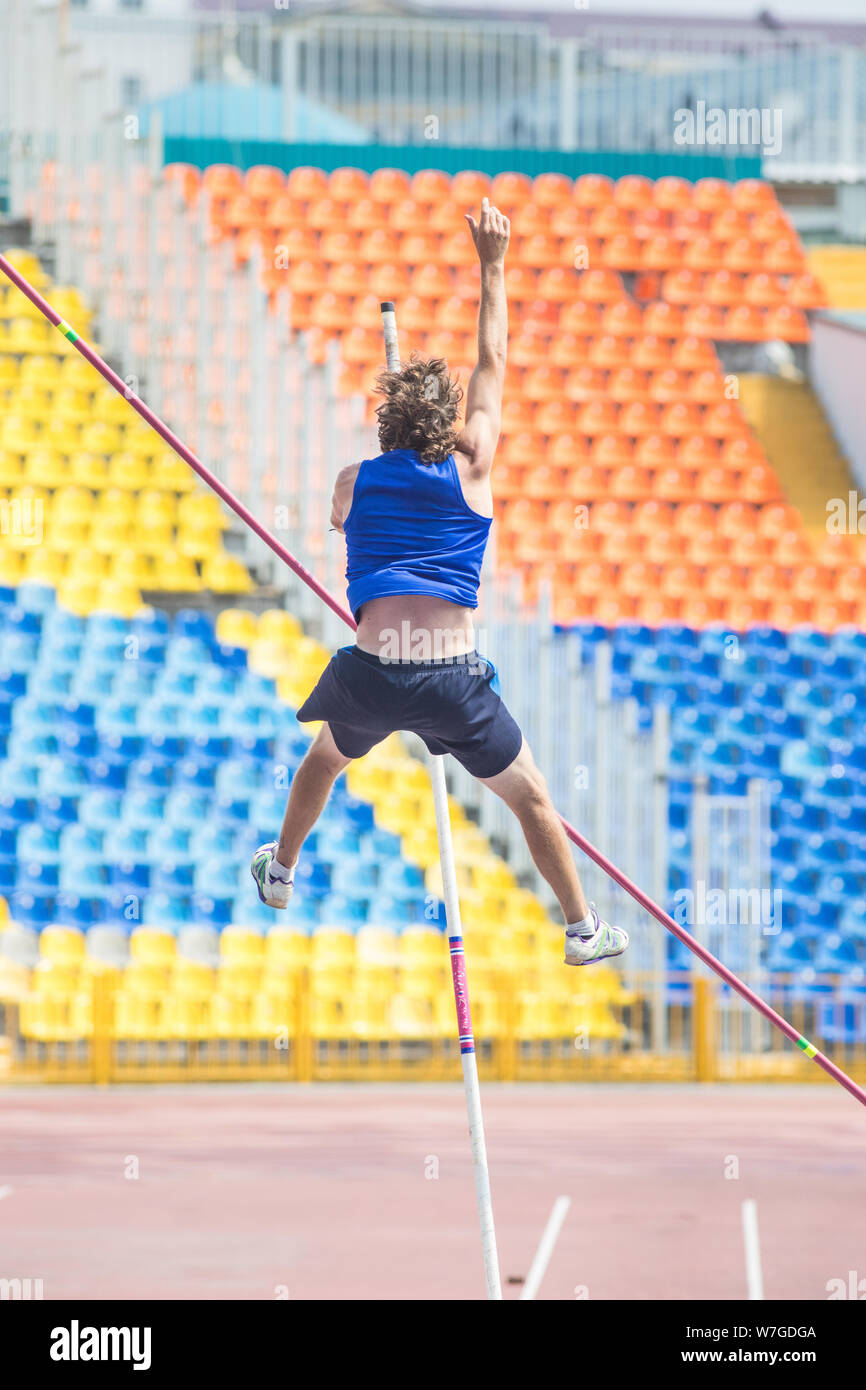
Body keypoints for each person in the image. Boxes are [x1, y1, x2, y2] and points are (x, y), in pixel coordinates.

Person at [252, 199, 628, 967]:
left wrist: (399, 432)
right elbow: (493, 364)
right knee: (531, 798)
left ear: (386, 425)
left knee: (325, 759)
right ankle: (583, 929)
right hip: (451, 679)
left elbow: (340, 519)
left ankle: (281, 873)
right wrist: (493, 263)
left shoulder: (353, 478)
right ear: (450, 425)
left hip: (373, 674)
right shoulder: (474, 467)